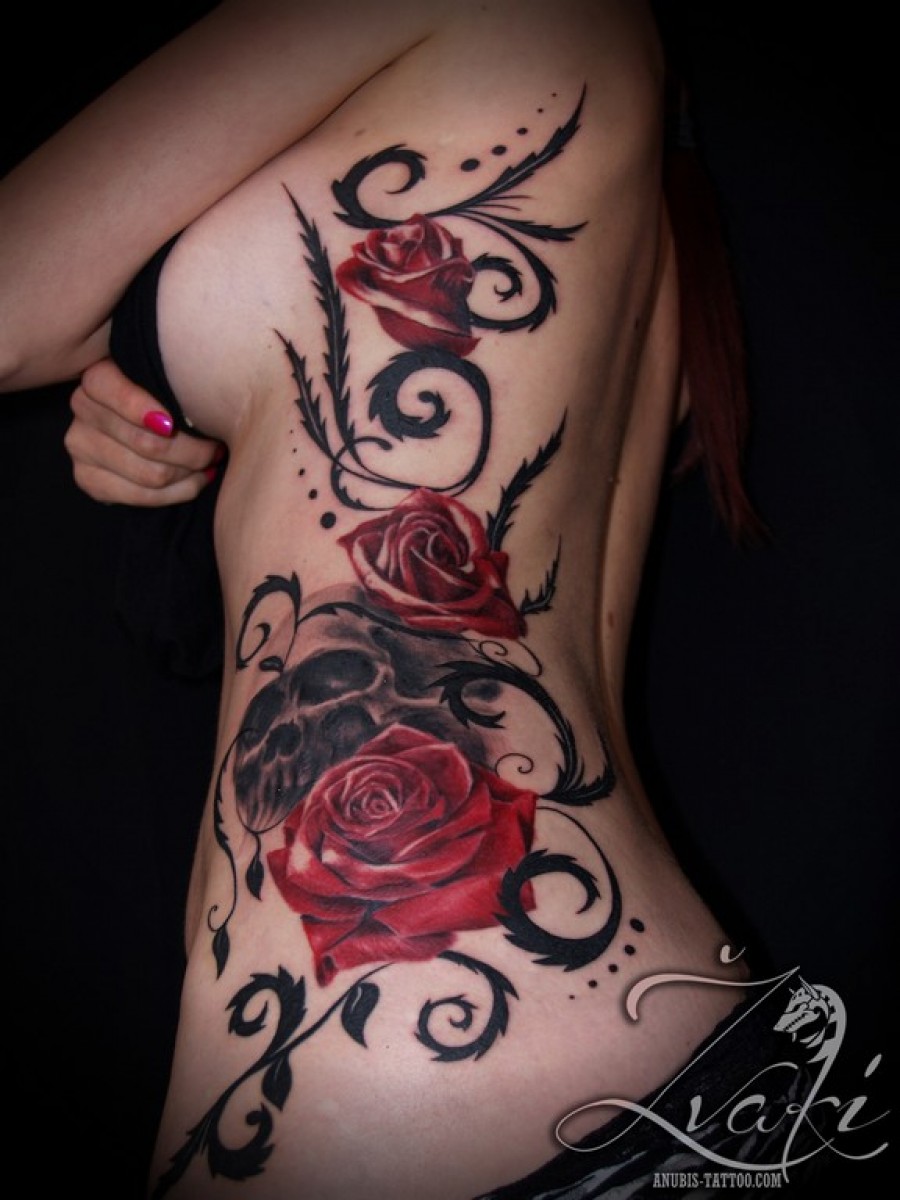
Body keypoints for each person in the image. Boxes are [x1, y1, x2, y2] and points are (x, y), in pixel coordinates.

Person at [1, 1, 861, 1195]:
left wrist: (130, 347)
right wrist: (152, 401)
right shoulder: (613, 135)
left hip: (418, 1084)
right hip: (621, 1051)